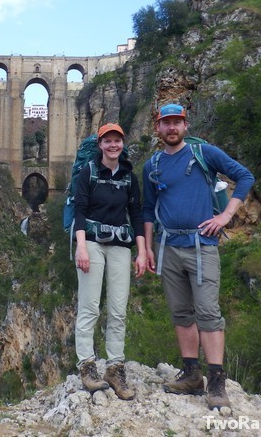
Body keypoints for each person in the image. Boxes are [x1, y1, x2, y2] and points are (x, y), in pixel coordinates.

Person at [138, 103, 255, 410]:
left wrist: (226, 215)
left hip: (202, 246)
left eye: (177, 122)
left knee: (208, 312)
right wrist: (148, 247)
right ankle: (191, 373)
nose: (172, 127)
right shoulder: (152, 165)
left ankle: (217, 381)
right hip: (168, 247)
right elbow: (148, 209)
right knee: (180, 312)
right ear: (158, 128)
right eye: (166, 123)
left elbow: (245, 177)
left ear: (185, 125)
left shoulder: (205, 153)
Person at [73, 123, 146, 400]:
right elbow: (80, 210)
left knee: (118, 309)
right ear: (100, 145)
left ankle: (115, 367)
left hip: (120, 246)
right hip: (91, 243)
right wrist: (81, 247)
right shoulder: (87, 172)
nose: (113, 145)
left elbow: (136, 214)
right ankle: (87, 366)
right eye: (108, 141)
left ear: (122, 144)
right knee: (89, 306)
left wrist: (141, 251)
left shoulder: (129, 177)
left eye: (117, 141)